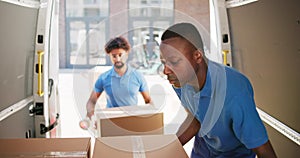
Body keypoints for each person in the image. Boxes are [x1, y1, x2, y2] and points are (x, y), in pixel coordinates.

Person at [159, 23, 277, 158]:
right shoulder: (181, 81)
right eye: (164, 62)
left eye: (174, 62)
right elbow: (196, 119)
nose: (166, 71)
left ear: (197, 56)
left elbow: (263, 149)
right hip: (203, 149)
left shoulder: (234, 92)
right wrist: (166, 150)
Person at [86, 36, 151, 119]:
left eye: (120, 55)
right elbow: (91, 101)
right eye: (114, 56)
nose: (117, 59)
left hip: (132, 120)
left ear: (127, 54)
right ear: (109, 56)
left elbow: (148, 101)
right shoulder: (104, 78)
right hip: (111, 121)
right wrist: (90, 115)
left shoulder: (137, 76)